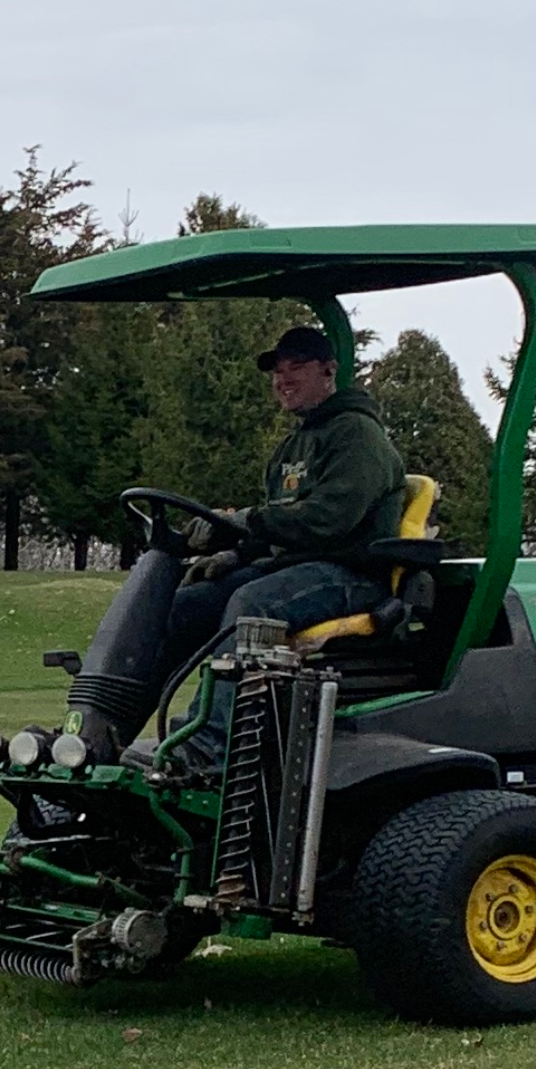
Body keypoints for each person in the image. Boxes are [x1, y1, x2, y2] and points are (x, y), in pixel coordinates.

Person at [139, 326, 406, 775]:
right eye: (277, 373)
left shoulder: (357, 435)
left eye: (296, 368)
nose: (283, 380)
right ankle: (110, 728)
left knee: (253, 604)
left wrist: (246, 523)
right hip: (300, 568)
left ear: (328, 371)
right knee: (190, 603)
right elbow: (277, 524)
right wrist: (235, 554)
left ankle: (211, 746)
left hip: (352, 573)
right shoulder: (292, 445)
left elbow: (328, 520)